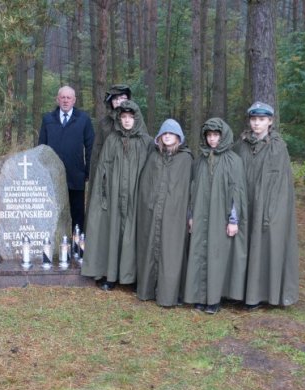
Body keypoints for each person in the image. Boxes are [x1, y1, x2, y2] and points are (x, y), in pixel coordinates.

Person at [234, 102, 299, 308]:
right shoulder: (241, 145)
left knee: (264, 247)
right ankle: (239, 292)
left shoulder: (277, 147)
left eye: (261, 120)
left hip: (268, 206)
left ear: (270, 121)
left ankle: (260, 295)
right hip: (245, 204)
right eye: (254, 119)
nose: (257, 124)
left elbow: (281, 184)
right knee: (242, 245)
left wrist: (271, 210)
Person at [82, 100, 151, 291]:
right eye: (124, 117)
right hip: (113, 195)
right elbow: (103, 168)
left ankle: (133, 277)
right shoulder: (112, 140)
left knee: (133, 234)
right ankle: (111, 275)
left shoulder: (146, 141)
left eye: (131, 117)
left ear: (136, 119)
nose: (127, 121)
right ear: (119, 119)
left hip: (135, 196)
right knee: (111, 232)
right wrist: (102, 195)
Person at [183, 118, 248, 314]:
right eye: (209, 136)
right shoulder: (199, 161)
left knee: (217, 255)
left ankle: (214, 299)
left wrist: (233, 219)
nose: (212, 140)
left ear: (223, 136)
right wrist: (191, 215)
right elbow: (193, 189)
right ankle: (199, 297)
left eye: (216, 135)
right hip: (201, 214)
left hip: (221, 216)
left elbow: (237, 191)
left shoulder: (233, 161)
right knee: (199, 253)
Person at [136, 119, 193, 307]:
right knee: (151, 247)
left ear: (179, 137)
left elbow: (190, 189)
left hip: (174, 214)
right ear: (159, 136)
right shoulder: (153, 156)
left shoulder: (186, 159)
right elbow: (145, 184)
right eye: (164, 133)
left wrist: (189, 214)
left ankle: (169, 294)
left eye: (172, 133)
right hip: (152, 212)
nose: (167, 136)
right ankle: (147, 290)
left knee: (172, 252)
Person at [37, 85, 95, 232]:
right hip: (51, 176)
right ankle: (52, 245)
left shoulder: (84, 120)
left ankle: (77, 247)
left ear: (74, 100)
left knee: (77, 214)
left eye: (69, 98)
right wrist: (41, 172)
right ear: (57, 99)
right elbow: (41, 148)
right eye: (62, 97)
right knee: (51, 211)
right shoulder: (48, 119)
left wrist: (88, 171)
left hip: (76, 174)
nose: (65, 100)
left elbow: (91, 147)